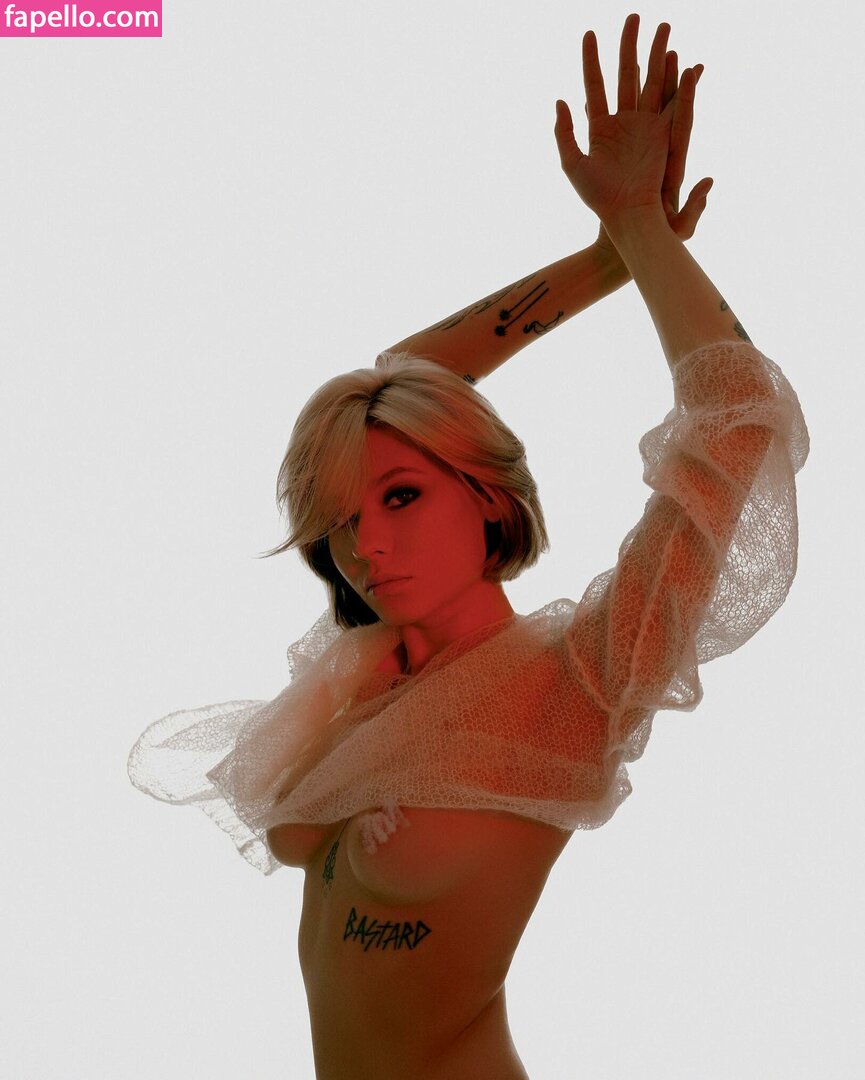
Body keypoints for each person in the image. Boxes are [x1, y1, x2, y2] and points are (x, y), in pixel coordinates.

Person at [127, 15, 809, 1080]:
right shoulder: (367, 670)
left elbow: (735, 426)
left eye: (401, 496)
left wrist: (645, 229)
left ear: (488, 499)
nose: (365, 545)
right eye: (341, 518)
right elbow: (403, 374)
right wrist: (601, 261)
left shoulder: (576, 679)